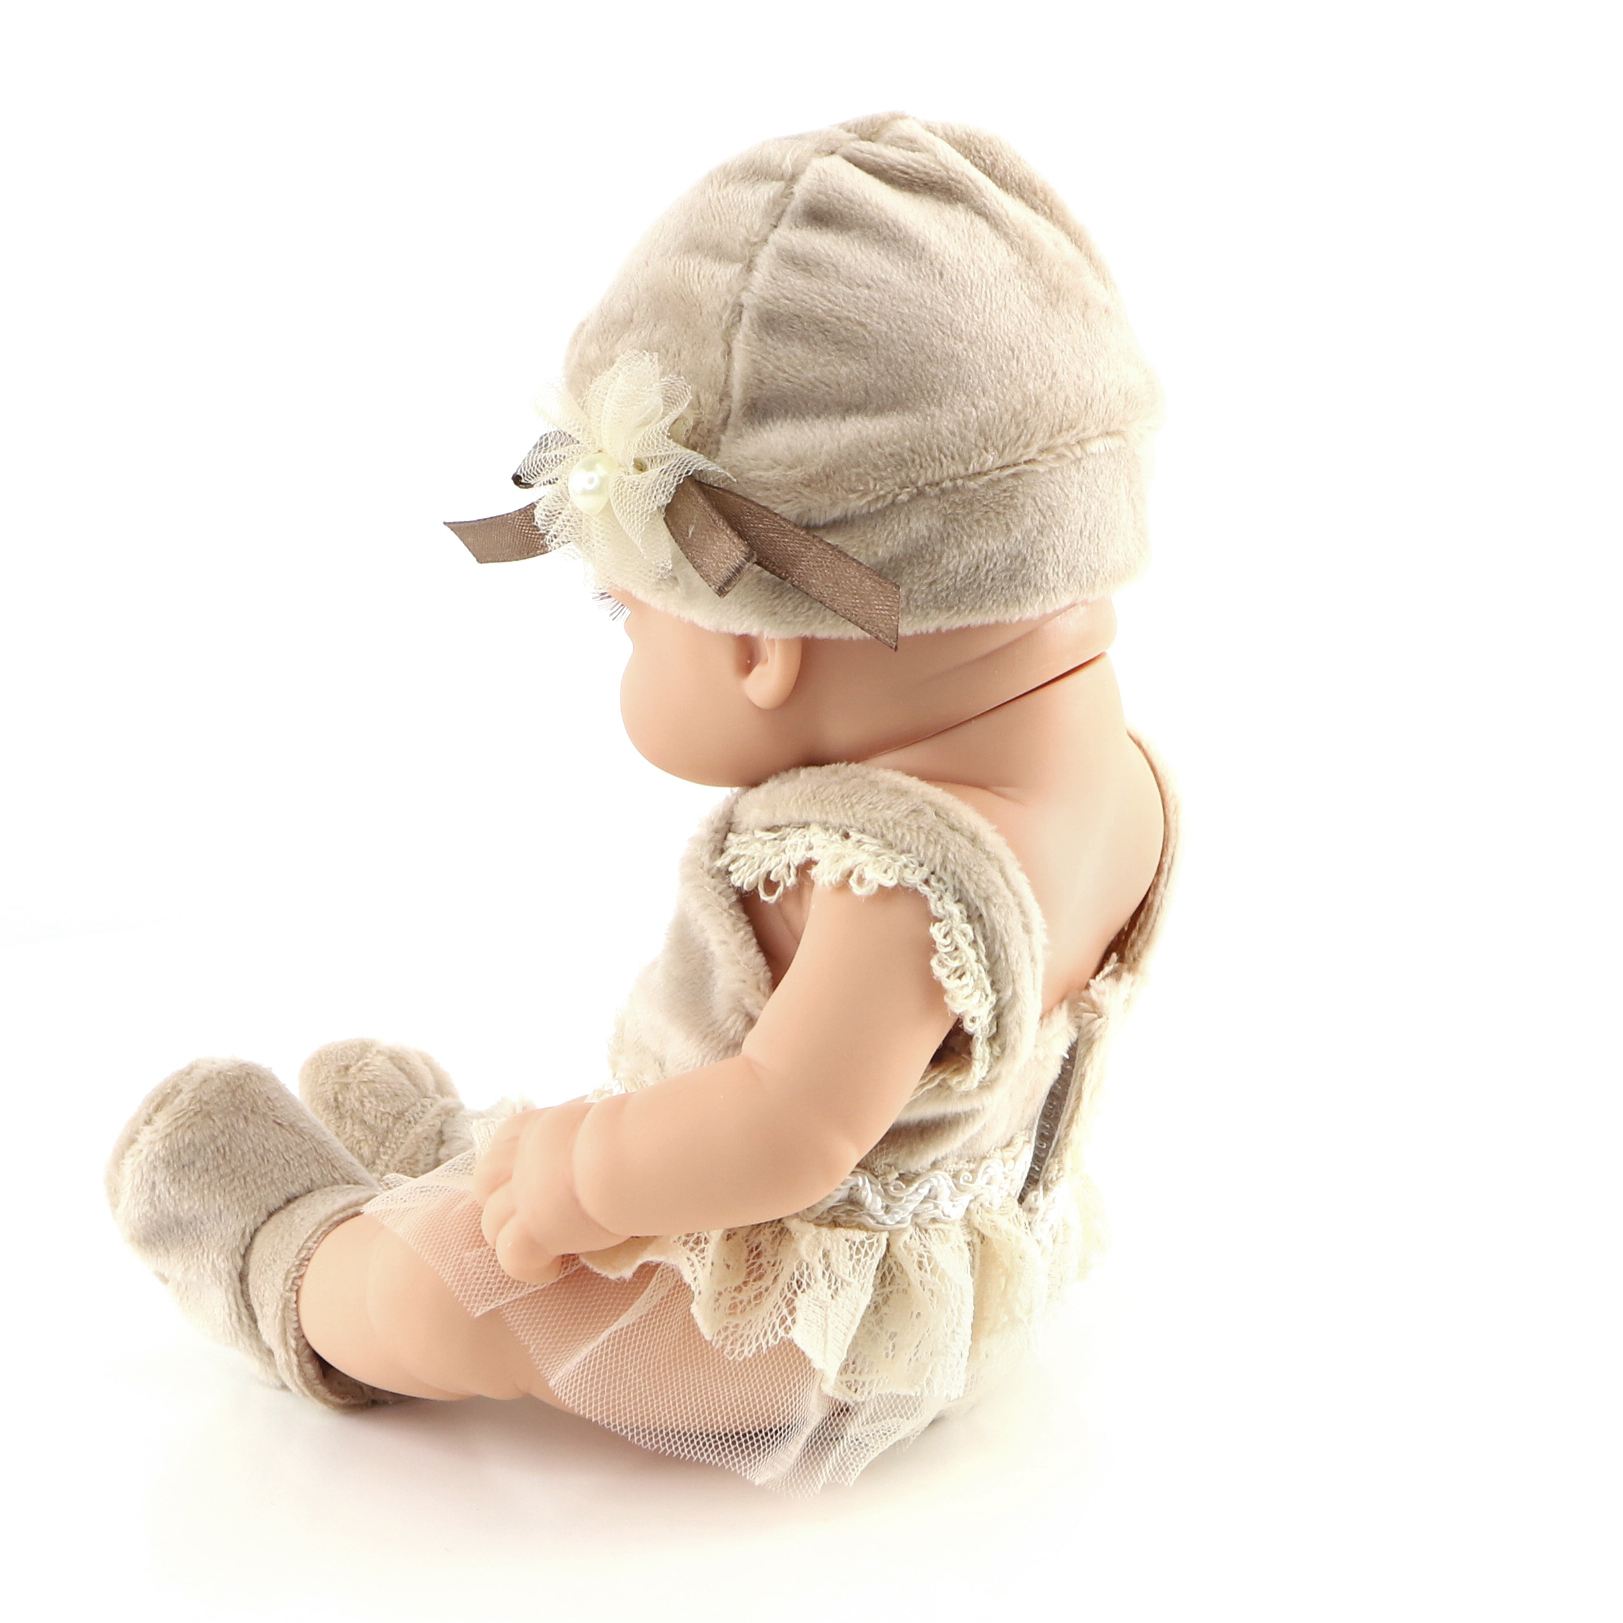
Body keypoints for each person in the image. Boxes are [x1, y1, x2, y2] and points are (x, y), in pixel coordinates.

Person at [107, 112, 1179, 1493]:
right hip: (965, 1274)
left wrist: (593, 1176)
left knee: (461, 1299)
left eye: (626, 612)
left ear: (759, 645)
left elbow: (784, 1130)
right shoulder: (1117, 783)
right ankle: (470, 1167)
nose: (624, 636)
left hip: (770, 1340)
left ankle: (296, 1258)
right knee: (557, 1181)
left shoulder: (901, 882)